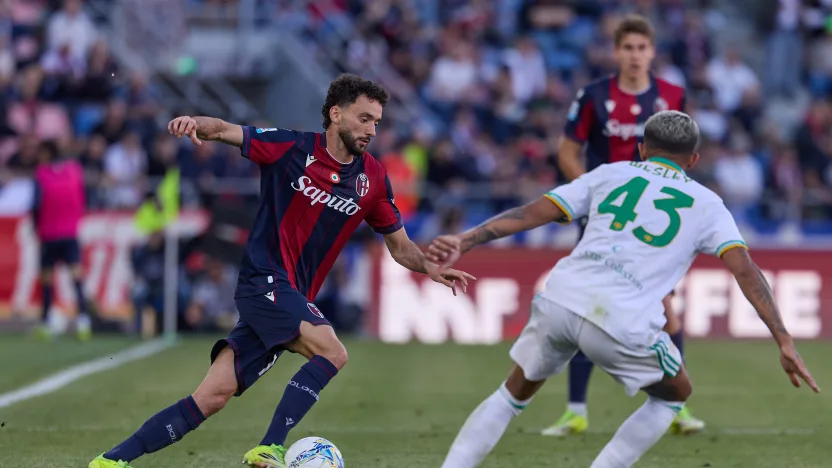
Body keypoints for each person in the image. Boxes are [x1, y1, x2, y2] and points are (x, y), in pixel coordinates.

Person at [88, 74, 475, 468]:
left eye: (376, 121)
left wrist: (429, 266)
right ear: (336, 114)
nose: (371, 129)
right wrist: (193, 122)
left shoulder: (372, 178)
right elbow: (223, 130)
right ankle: (270, 447)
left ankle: (110, 461)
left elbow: (400, 246)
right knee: (333, 351)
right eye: (364, 119)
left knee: (210, 398)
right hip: (264, 281)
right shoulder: (289, 147)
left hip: (291, 296)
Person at [431, 111, 819, 468]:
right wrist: (783, 339)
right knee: (676, 392)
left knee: (513, 393)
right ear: (694, 160)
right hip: (621, 318)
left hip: (562, 298)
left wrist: (466, 240)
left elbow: (533, 213)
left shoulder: (609, 173)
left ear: (641, 149)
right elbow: (745, 271)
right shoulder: (708, 204)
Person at [550, 14, 702, 436]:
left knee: (665, 307)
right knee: (585, 307)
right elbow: (567, 150)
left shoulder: (672, 95)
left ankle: (677, 405)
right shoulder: (594, 95)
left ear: (652, 52)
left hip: (654, 220)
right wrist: (590, 193)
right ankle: (576, 409)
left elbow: (684, 151)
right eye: (628, 48)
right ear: (616, 52)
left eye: (642, 48)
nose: (635, 55)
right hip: (606, 217)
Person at [32, 140, 92, 341]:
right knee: (76, 276)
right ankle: (84, 321)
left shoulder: (41, 175)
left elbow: (36, 205)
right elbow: (83, 199)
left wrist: (36, 229)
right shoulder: (74, 172)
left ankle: (47, 323)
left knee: (47, 280)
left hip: (49, 234)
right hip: (69, 233)